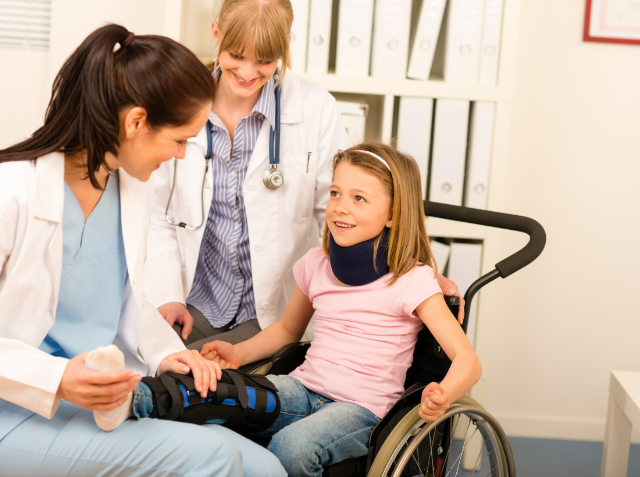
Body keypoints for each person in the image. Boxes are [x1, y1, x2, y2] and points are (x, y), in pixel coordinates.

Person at [0, 24, 284, 477]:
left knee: (266, 468)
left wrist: (165, 353)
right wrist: (56, 378)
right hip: (16, 409)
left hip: (99, 400)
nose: (181, 155)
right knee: (217, 458)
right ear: (135, 122)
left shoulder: (128, 189)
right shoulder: (12, 193)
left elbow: (124, 297)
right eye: (178, 140)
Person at [145, 0, 465, 351]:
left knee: (191, 379)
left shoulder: (314, 108)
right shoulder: (180, 103)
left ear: (286, 43)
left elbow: (348, 213)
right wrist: (167, 294)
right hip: (194, 302)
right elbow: (157, 214)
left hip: (274, 312)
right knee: (150, 362)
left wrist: (412, 270)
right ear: (216, 32)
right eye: (236, 54)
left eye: (265, 60)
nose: (248, 72)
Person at [200, 142, 483, 476]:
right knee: (222, 404)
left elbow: (469, 362)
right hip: (303, 388)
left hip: (361, 409)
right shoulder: (316, 264)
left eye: (359, 198)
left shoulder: (412, 281)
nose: (340, 207)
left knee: (293, 448)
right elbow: (287, 330)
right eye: (336, 193)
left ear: (392, 214)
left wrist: (443, 394)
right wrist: (236, 353)